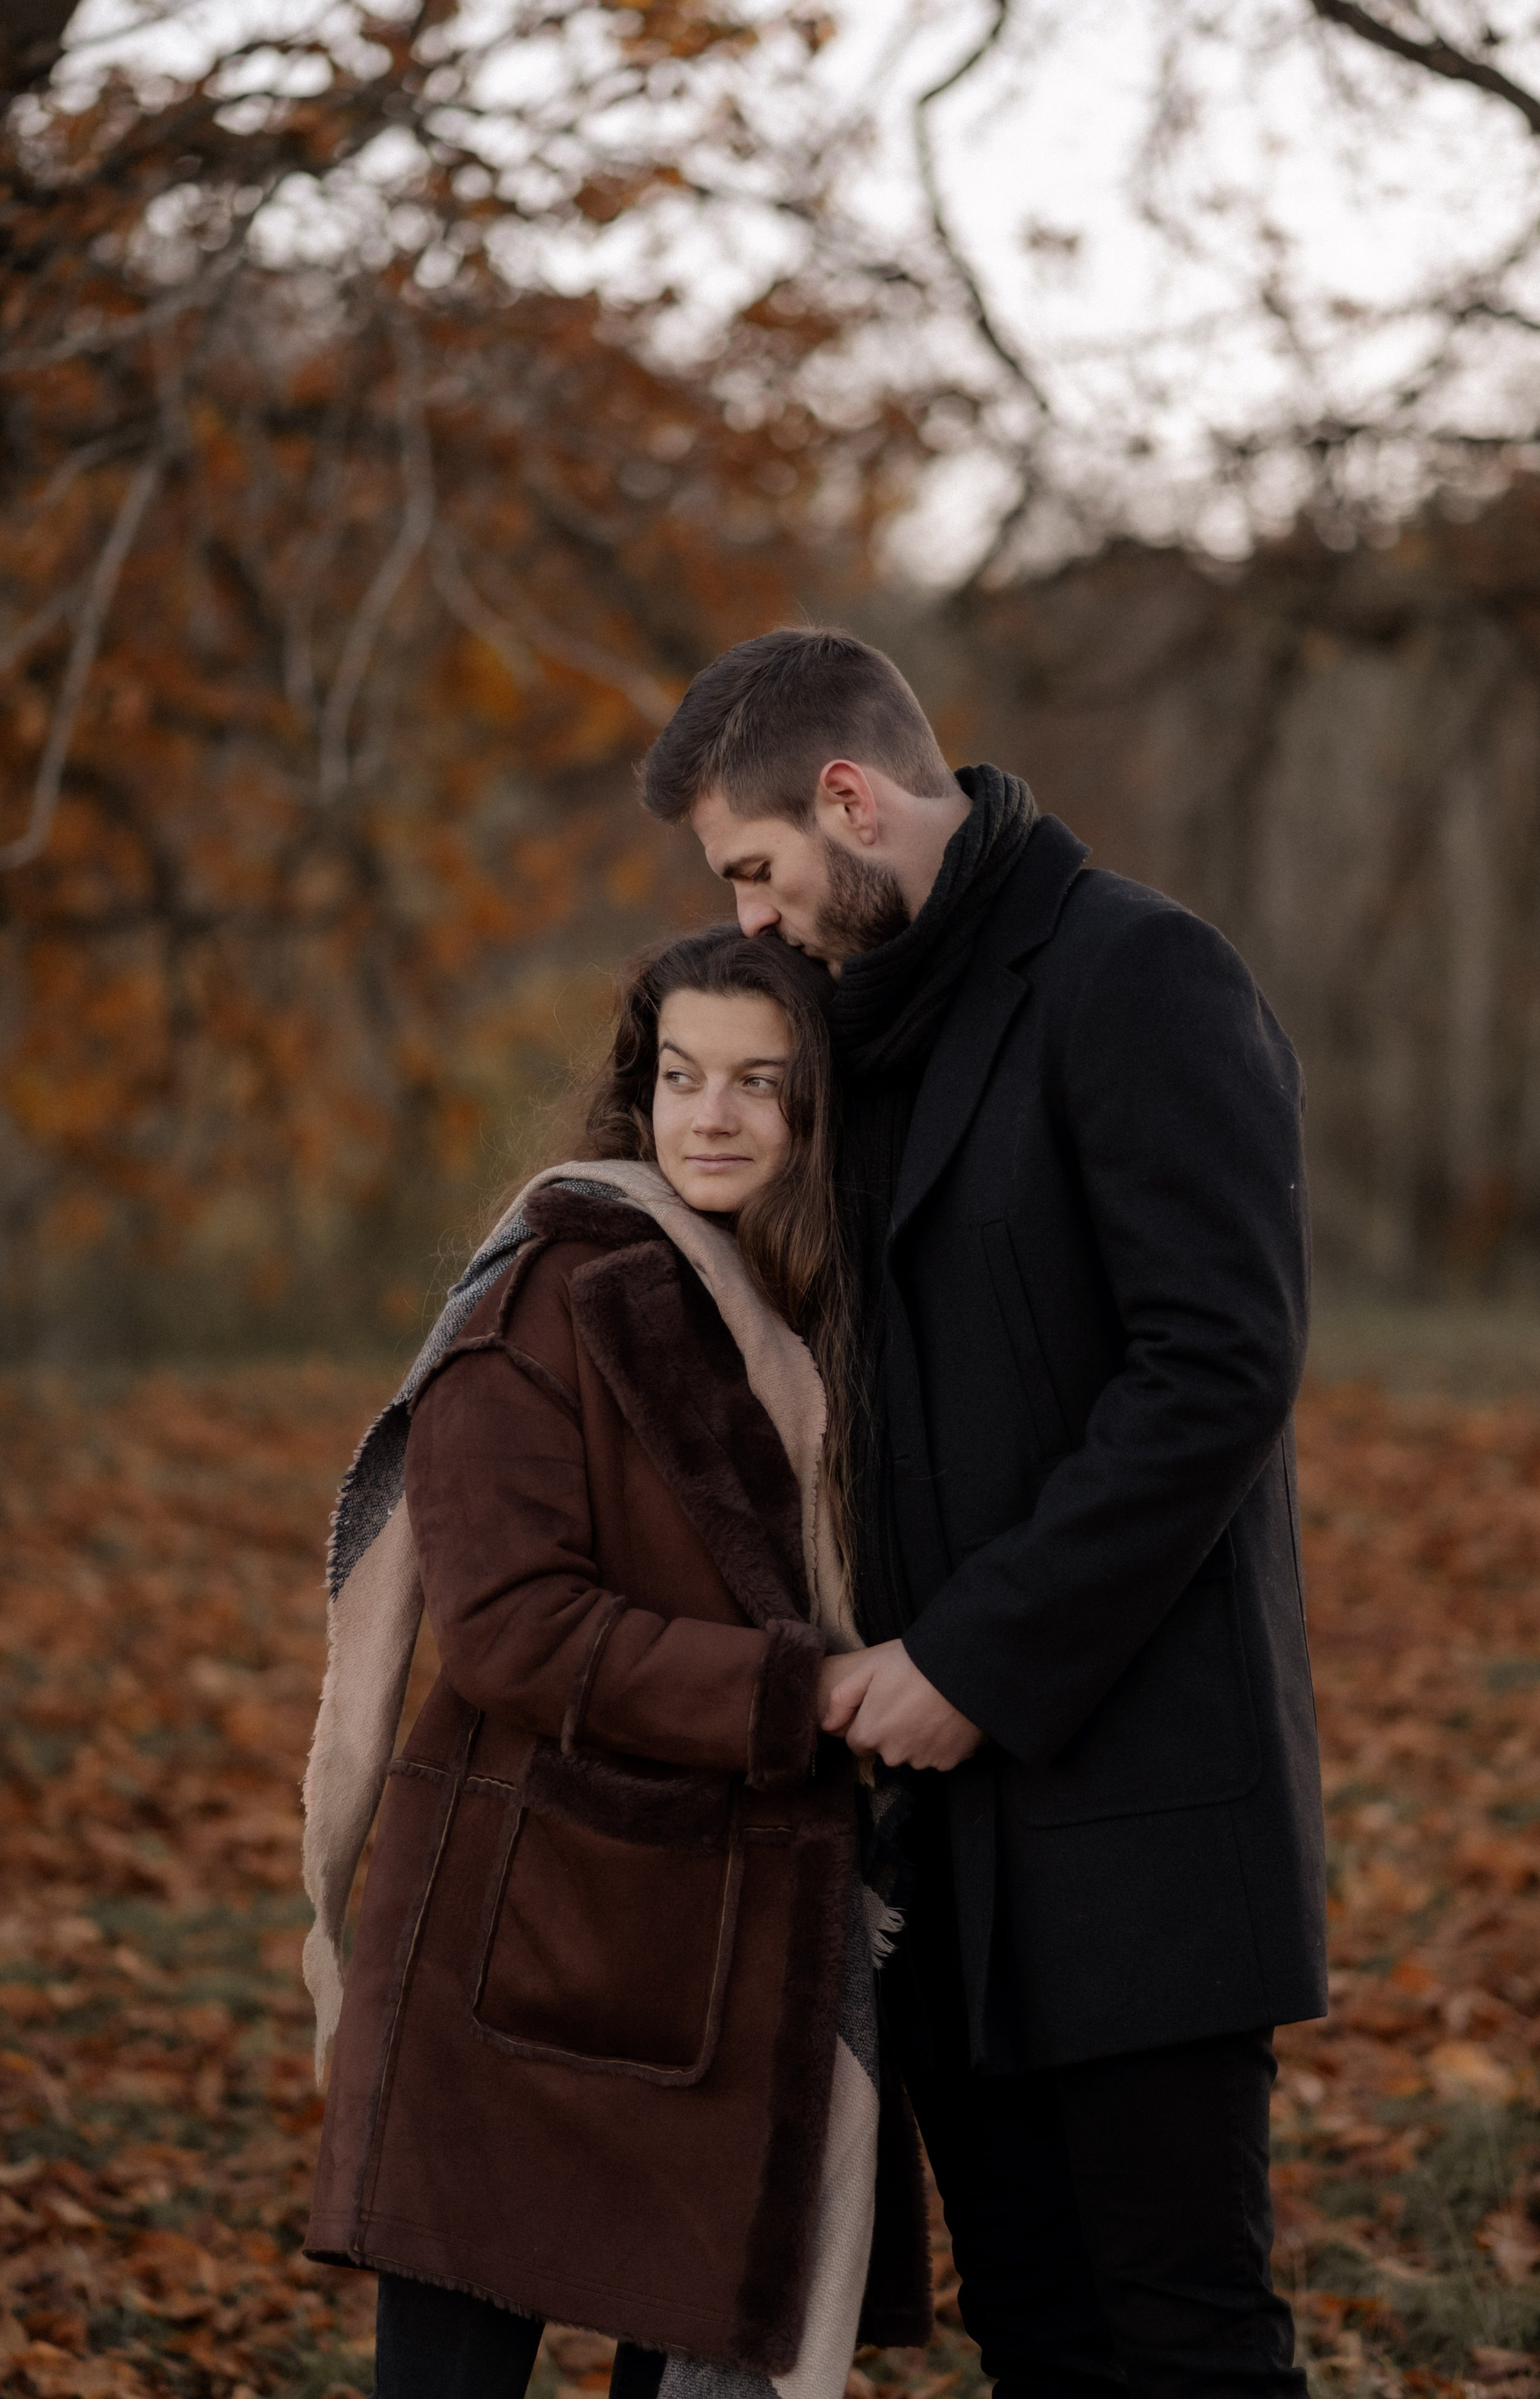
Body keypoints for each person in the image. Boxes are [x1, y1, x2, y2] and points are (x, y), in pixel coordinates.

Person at [640, 628, 1328, 2399]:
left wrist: (978, 1657)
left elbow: (1219, 1370)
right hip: (933, 1846)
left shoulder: (1141, 976)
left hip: (1140, 1809)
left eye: (759, 869)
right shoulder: (852, 1036)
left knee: (1183, 2342)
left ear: (851, 800)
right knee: (1036, 2335)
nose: (758, 920)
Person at [298, 926, 930, 2399]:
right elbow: (512, 1627)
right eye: (679, 1074)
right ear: (635, 1092)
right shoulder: (545, 1294)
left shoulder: (836, 1327)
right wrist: (800, 1694)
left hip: (731, 1959)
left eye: (759, 1084)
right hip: (516, 1946)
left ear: (817, 1109)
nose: (710, 1115)